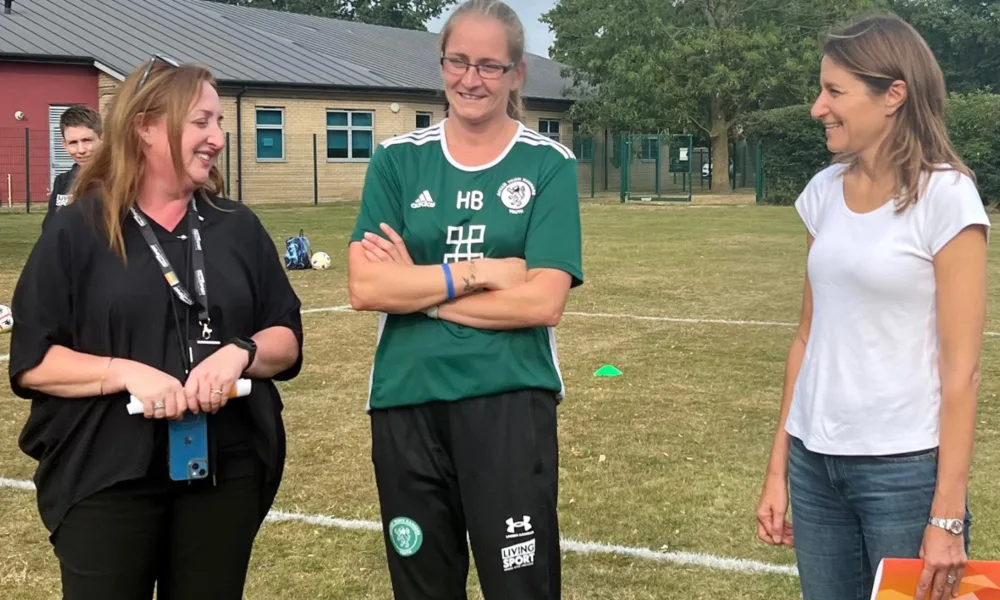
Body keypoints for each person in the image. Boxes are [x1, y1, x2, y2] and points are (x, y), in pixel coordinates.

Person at [8, 56, 303, 600]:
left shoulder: (237, 226)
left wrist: (240, 351)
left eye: (219, 122)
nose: (217, 137)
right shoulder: (78, 230)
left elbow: (285, 336)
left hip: (225, 469)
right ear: (145, 127)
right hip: (107, 473)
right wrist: (123, 373)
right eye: (201, 122)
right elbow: (33, 359)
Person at [347, 1, 583, 598]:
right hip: (406, 397)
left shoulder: (547, 165)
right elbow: (368, 287)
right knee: (422, 586)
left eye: (488, 65)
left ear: (516, 74)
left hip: (507, 398)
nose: (470, 79)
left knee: (519, 587)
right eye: (457, 61)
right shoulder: (398, 161)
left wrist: (419, 292)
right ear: (441, 63)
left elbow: (541, 303)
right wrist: (483, 272)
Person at [755, 13, 989, 600]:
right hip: (814, 464)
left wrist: (946, 517)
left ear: (894, 96)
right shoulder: (822, 193)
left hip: (903, 472)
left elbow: (962, 371)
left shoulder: (948, 198)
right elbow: (806, 337)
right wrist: (779, 468)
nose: (817, 107)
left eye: (834, 91)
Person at [42, 104, 103, 231]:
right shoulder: (62, 182)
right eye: (73, 143)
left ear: (102, 139)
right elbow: (49, 230)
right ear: (65, 145)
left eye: (87, 140)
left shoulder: (118, 178)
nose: (81, 150)